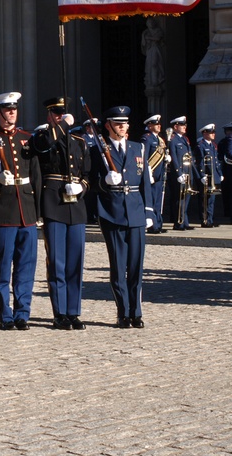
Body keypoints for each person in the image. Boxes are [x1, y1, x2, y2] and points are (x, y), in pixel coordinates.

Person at [0, 91, 41, 330]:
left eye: (14, 109)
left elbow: (36, 176)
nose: (12, 113)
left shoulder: (27, 137)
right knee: (4, 264)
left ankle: (22, 312)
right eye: (7, 110)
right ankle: (5, 312)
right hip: (4, 211)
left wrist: (38, 213)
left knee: (26, 265)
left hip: (26, 210)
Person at [88, 106, 154, 329]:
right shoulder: (97, 150)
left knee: (136, 267)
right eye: (118, 124)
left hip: (136, 212)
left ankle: (136, 312)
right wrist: (104, 182)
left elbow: (144, 181)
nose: (123, 127)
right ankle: (123, 312)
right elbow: (91, 183)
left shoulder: (138, 148)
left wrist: (149, 211)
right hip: (112, 213)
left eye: (125, 123)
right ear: (108, 126)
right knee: (118, 267)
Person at [29, 97, 90, 330]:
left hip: (76, 205)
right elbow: (40, 147)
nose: (59, 117)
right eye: (55, 114)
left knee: (75, 261)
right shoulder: (44, 137)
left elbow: (87, 173)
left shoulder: (79, 142)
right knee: (57, 261)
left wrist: (82, 187)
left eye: (62, 114)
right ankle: (60, 312)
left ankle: (73, 311)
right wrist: (62, 126)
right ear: (49, 116)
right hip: (54, 202)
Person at [141, 114, 168, 234]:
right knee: (150, 202)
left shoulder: (159, 139)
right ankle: (152, 225)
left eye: (159, 124)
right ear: (149, 125)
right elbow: (144, 157)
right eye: (156, 124)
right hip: (151, 175)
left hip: (160, 175)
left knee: (158, 201)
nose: (159, 126)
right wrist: (148, 173)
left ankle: (158, 224)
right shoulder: (146, 138)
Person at [166, 116, 195, 231]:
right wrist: (178, 173)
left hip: (187, 172)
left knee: (186, 198)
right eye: (182, 125)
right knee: (179, 198)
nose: (184, 127)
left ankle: (184, 221)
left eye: (185, 125)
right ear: (176, 127)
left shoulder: (184, 139)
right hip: (179, 174)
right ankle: (178, 222)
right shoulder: (173, 139)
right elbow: (174, 157)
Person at [195, 123, 223, 228]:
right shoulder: (201, 145)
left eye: (214, 132)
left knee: (212, 200)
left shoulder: (213, 145)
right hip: (206, 176)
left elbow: (216, 161)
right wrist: (202, 175)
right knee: (205, 200)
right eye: (211, 132)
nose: (213, 134)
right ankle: (205, 220)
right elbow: (200, 162)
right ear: (205, 133)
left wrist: (220, 173)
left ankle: (210, 219)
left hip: (213, 175)